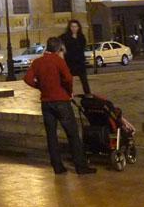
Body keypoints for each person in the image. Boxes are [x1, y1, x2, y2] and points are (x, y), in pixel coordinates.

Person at [23, 36, 96, 175]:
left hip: (46, 102)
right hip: (61, 101)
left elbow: (27, 78)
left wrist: (40, 86)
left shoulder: (38, 62)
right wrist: (68, 91)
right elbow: (68, 78)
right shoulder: (58, 61)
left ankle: (57, 167)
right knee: (72, 133)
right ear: (58, 48)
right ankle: (80, 166)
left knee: (51, 136)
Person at [59, 19, 91, 95]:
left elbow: (82, 47)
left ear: (78, 27)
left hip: (80, 62)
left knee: (84, 80)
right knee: (68, 81)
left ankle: (88, 95)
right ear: (69, 27)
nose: (74, 28)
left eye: (75, 26)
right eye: (72, 26)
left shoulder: (81, 37)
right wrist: (63, 49)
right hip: (69, 62)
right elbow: (58, 41)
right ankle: (68, 95)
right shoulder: (65, 37)